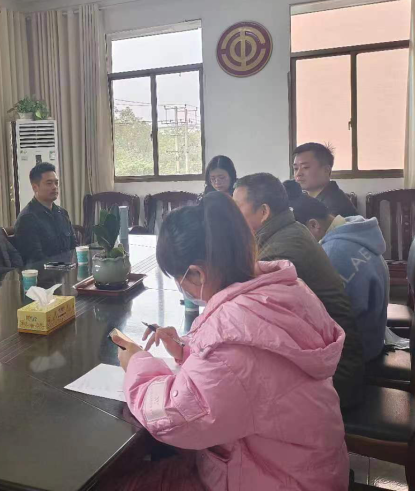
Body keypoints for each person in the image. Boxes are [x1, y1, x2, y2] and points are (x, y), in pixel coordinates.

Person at [113, 195, 348, 491]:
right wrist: (188, 350)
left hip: (274, 478)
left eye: (178, 278)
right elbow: (243, 375)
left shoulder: (233, 336)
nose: (180, 287)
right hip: (305, 469)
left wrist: (136, 363)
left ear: (196, 273)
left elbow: (173, 417)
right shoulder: (280, 292)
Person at [233, 173, 365, 408]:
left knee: (235, 394)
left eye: (236, 208)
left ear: (263, 212)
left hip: (335, 374)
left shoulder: (279, 254)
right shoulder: (290, 230)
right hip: (332, 359)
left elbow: (251, 321)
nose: (231, 217)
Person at [287, 182, 389, 362]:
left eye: (297, 236)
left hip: (357, 353)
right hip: (374, 337)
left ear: (313, 225)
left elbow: (324, 319)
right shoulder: (354, 231)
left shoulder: (334, 254)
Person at [13, 162, 76, 263]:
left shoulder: (62, 213)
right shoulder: (27, 218)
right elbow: (35, 259)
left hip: (67, 268)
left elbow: (74, 247)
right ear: (35, 187)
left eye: (56, 183)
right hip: (45, 271)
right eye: (49, 183)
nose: (54, 187)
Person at [293, 142, 358, 217]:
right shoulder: (312, 199)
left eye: (305, 167)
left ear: (326, 170)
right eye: (296, 168)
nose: (298, 174)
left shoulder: (332, 207)